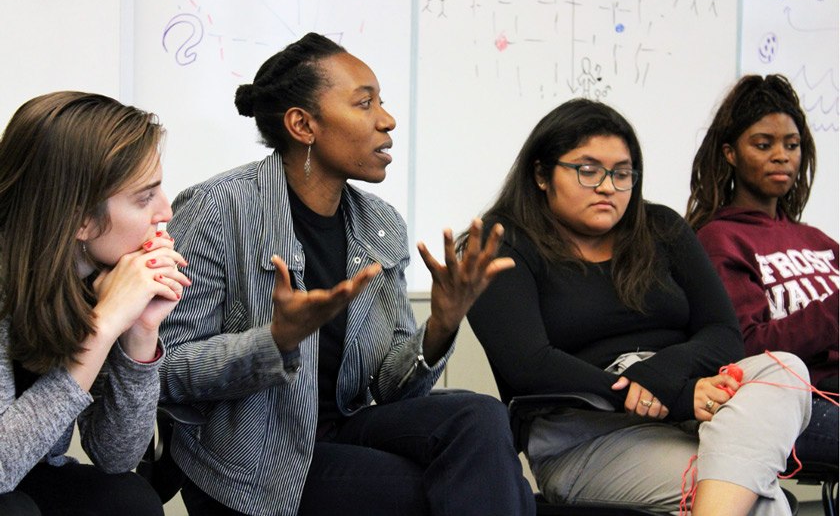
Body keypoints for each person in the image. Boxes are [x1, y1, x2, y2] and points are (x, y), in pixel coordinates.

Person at [157, 32, 535, 516]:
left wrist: (441, 325)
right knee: (475, 492)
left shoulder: (380, 224)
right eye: (365, 103)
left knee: (481, 418)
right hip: (250, 460)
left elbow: (391, 388)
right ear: (303, 125)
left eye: (382, 101)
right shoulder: (217, 209)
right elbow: (165, 370)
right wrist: (274, 341)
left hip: (345, 432)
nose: (387, 119)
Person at [465, 98, 812, 515]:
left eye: (622, 173)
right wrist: (675, 395)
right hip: (587, 439)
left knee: (785, 370)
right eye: (588, 170)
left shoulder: (662, 228)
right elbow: (529, 365)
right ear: (541, 174)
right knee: (757, 498)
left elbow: (724, 334)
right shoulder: (500, 244)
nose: (608, 186)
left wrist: (669, 378)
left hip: (694, 413)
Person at [0, 91, 190, 515]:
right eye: (144, 198)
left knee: (128, 500)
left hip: (27, 469)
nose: (166, 212)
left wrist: (140, 333)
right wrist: (101, 328)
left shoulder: (94, 280)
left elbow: (116, 457)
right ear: (80, 218)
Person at [687, 73, 838, 468]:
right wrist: (833, 313)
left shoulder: (819, 241)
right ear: (730, 153)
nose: (782, 156)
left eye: (792, 145)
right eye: (763, 144)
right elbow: (746, 347)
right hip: (791, 404)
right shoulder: (720, 239)